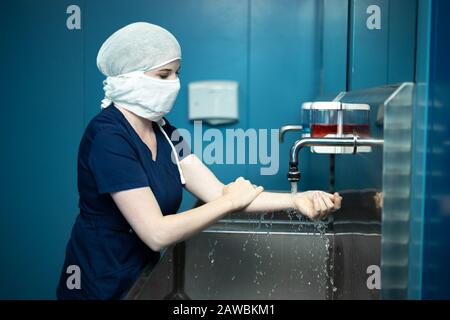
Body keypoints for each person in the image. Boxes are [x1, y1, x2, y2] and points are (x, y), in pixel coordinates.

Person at [56, 22, 342, 300]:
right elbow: (156, 232)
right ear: (130, 77)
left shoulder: (165, 131)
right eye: (164, 75)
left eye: (177, 73)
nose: (175, 84)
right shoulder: (108, 137)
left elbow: (218, 192)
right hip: (101, 283)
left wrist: (295, 200)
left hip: (142, 277)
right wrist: (228, 202)